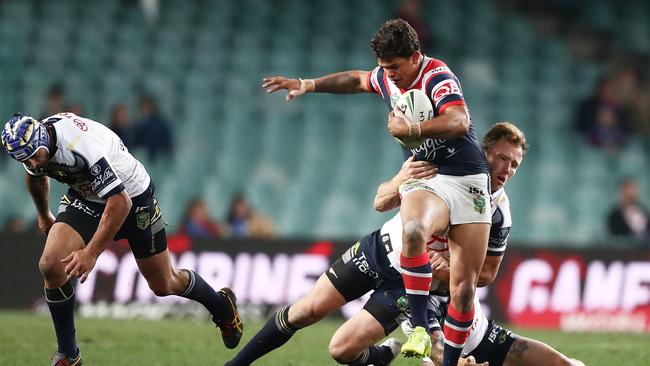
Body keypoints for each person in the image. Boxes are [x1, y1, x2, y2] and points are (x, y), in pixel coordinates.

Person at [263, 18, 491, 364]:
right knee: (413, 228)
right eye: (384, 68)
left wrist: (411, 127)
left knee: (463, 289)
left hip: (468, 179)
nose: (389, 74)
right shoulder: (387, 76)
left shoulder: (436, 75)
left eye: (395, 67)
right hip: (427, 176)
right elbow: (356, 79)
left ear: (414, 57)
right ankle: (418, 326)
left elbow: (459, 121)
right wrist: (307, 84)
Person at [225, 122, 522, 366]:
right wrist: (399, 179)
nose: (507, 169)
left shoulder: (497, 211)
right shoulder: (445, 163)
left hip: (408, 285)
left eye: (515, 165)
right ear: (484, 152)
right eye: (503, 158)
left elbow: (486, 274)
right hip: (379, 251)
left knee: (341, 350)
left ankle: (388, 355)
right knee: (307, 310)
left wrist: (448, 270)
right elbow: (380, 201)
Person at [0, 112, 242, 366]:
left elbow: (120, 202)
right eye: (26, 159)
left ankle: (221, 307)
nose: (35, 163)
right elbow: (35, 177)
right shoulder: (33, 145)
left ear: (43, 139)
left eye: (35, 156)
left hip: (134, 200)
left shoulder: (81, 147)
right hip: (86, 198)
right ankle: (68, 355)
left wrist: (91, 253)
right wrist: (43, 215)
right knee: (50, 264)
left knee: (164, 284)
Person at [133, 95, 173, 161]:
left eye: (145, 107)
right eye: (141, 107)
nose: (142, 110)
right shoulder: (140, 124)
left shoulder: (159, 123)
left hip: (158, 158)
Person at [607, 177, 649, 242]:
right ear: (621, 191)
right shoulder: (614, 215)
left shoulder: (643, 211)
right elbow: (616, 237)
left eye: (633, 188)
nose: (631, 192)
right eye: (627, 189)